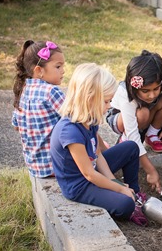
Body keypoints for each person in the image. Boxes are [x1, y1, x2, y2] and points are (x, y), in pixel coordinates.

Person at [50, 63, 148, 226]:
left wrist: (114, 182)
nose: (109, 106)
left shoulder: (90, 119)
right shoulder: (69, 132)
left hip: (92, 169)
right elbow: (89, 175)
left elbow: (97, 154)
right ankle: (130, 204)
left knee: (131, 147)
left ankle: (135, 194)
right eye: (106, 101)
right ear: (89, 98)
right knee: (125, 204)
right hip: (80, 185)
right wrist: (119, 189)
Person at [106, 50, 162, 193]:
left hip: (143, 112)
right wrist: (150, 171)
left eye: (156, 88)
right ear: (134, 86)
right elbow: (133, 134)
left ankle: (151, 135)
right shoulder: (126, 94)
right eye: (146, 91)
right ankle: (124, 142)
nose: (152, 95)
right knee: (143, 114)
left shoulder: (157, 85)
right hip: (119, 118)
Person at [12, 40, 65, 178]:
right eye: (58, 67)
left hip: (35, 167)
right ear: (39, 70)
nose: (63, 71)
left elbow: (16, 126)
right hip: (57, 165)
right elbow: (77, 117)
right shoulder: (51, 91)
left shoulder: (23, 90)